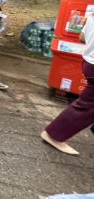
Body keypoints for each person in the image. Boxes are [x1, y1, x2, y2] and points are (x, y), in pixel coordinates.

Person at [41, 15, 94, 155]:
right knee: (86, 105)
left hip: (89, 61)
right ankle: (54, 134)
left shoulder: (91, 16)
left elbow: (82, 37)